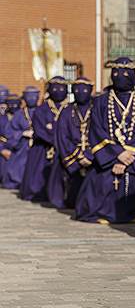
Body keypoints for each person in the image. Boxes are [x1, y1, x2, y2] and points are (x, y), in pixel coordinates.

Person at [75, 58, 135, 224]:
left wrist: (129, 157)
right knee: (98, 183)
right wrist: (117, 154)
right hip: (108, 157)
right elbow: (96, 130)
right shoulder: (101, 101)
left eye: (125, 73)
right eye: (116, 72)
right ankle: (102, 212)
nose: (120, 76)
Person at [46, 77, 94, 209]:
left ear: (91, 90)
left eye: (84, 88)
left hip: (93, 155)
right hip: (72, 155)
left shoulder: (97, 110)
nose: (80, 92)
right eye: (76, 89)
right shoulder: (67, 112)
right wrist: (78, 155)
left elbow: (102, 134)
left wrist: (90, 156)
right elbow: (62, 137)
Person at [19, 77, 69, 202]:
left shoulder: (70, 108)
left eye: (62, 87)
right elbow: (39, 129)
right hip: (43, 148)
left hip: (65, 148)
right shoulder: (42, 109)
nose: (58, 90)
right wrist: (55, 140)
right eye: (55, 87)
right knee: (39, 174)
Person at [2, 86, 40, 189]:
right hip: (22, 146)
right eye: (29, 96)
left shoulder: (43, 111)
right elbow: (10, 132)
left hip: (39, 145)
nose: (32, 99)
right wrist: (22, 133)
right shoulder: (19, 114)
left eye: (34, 96)